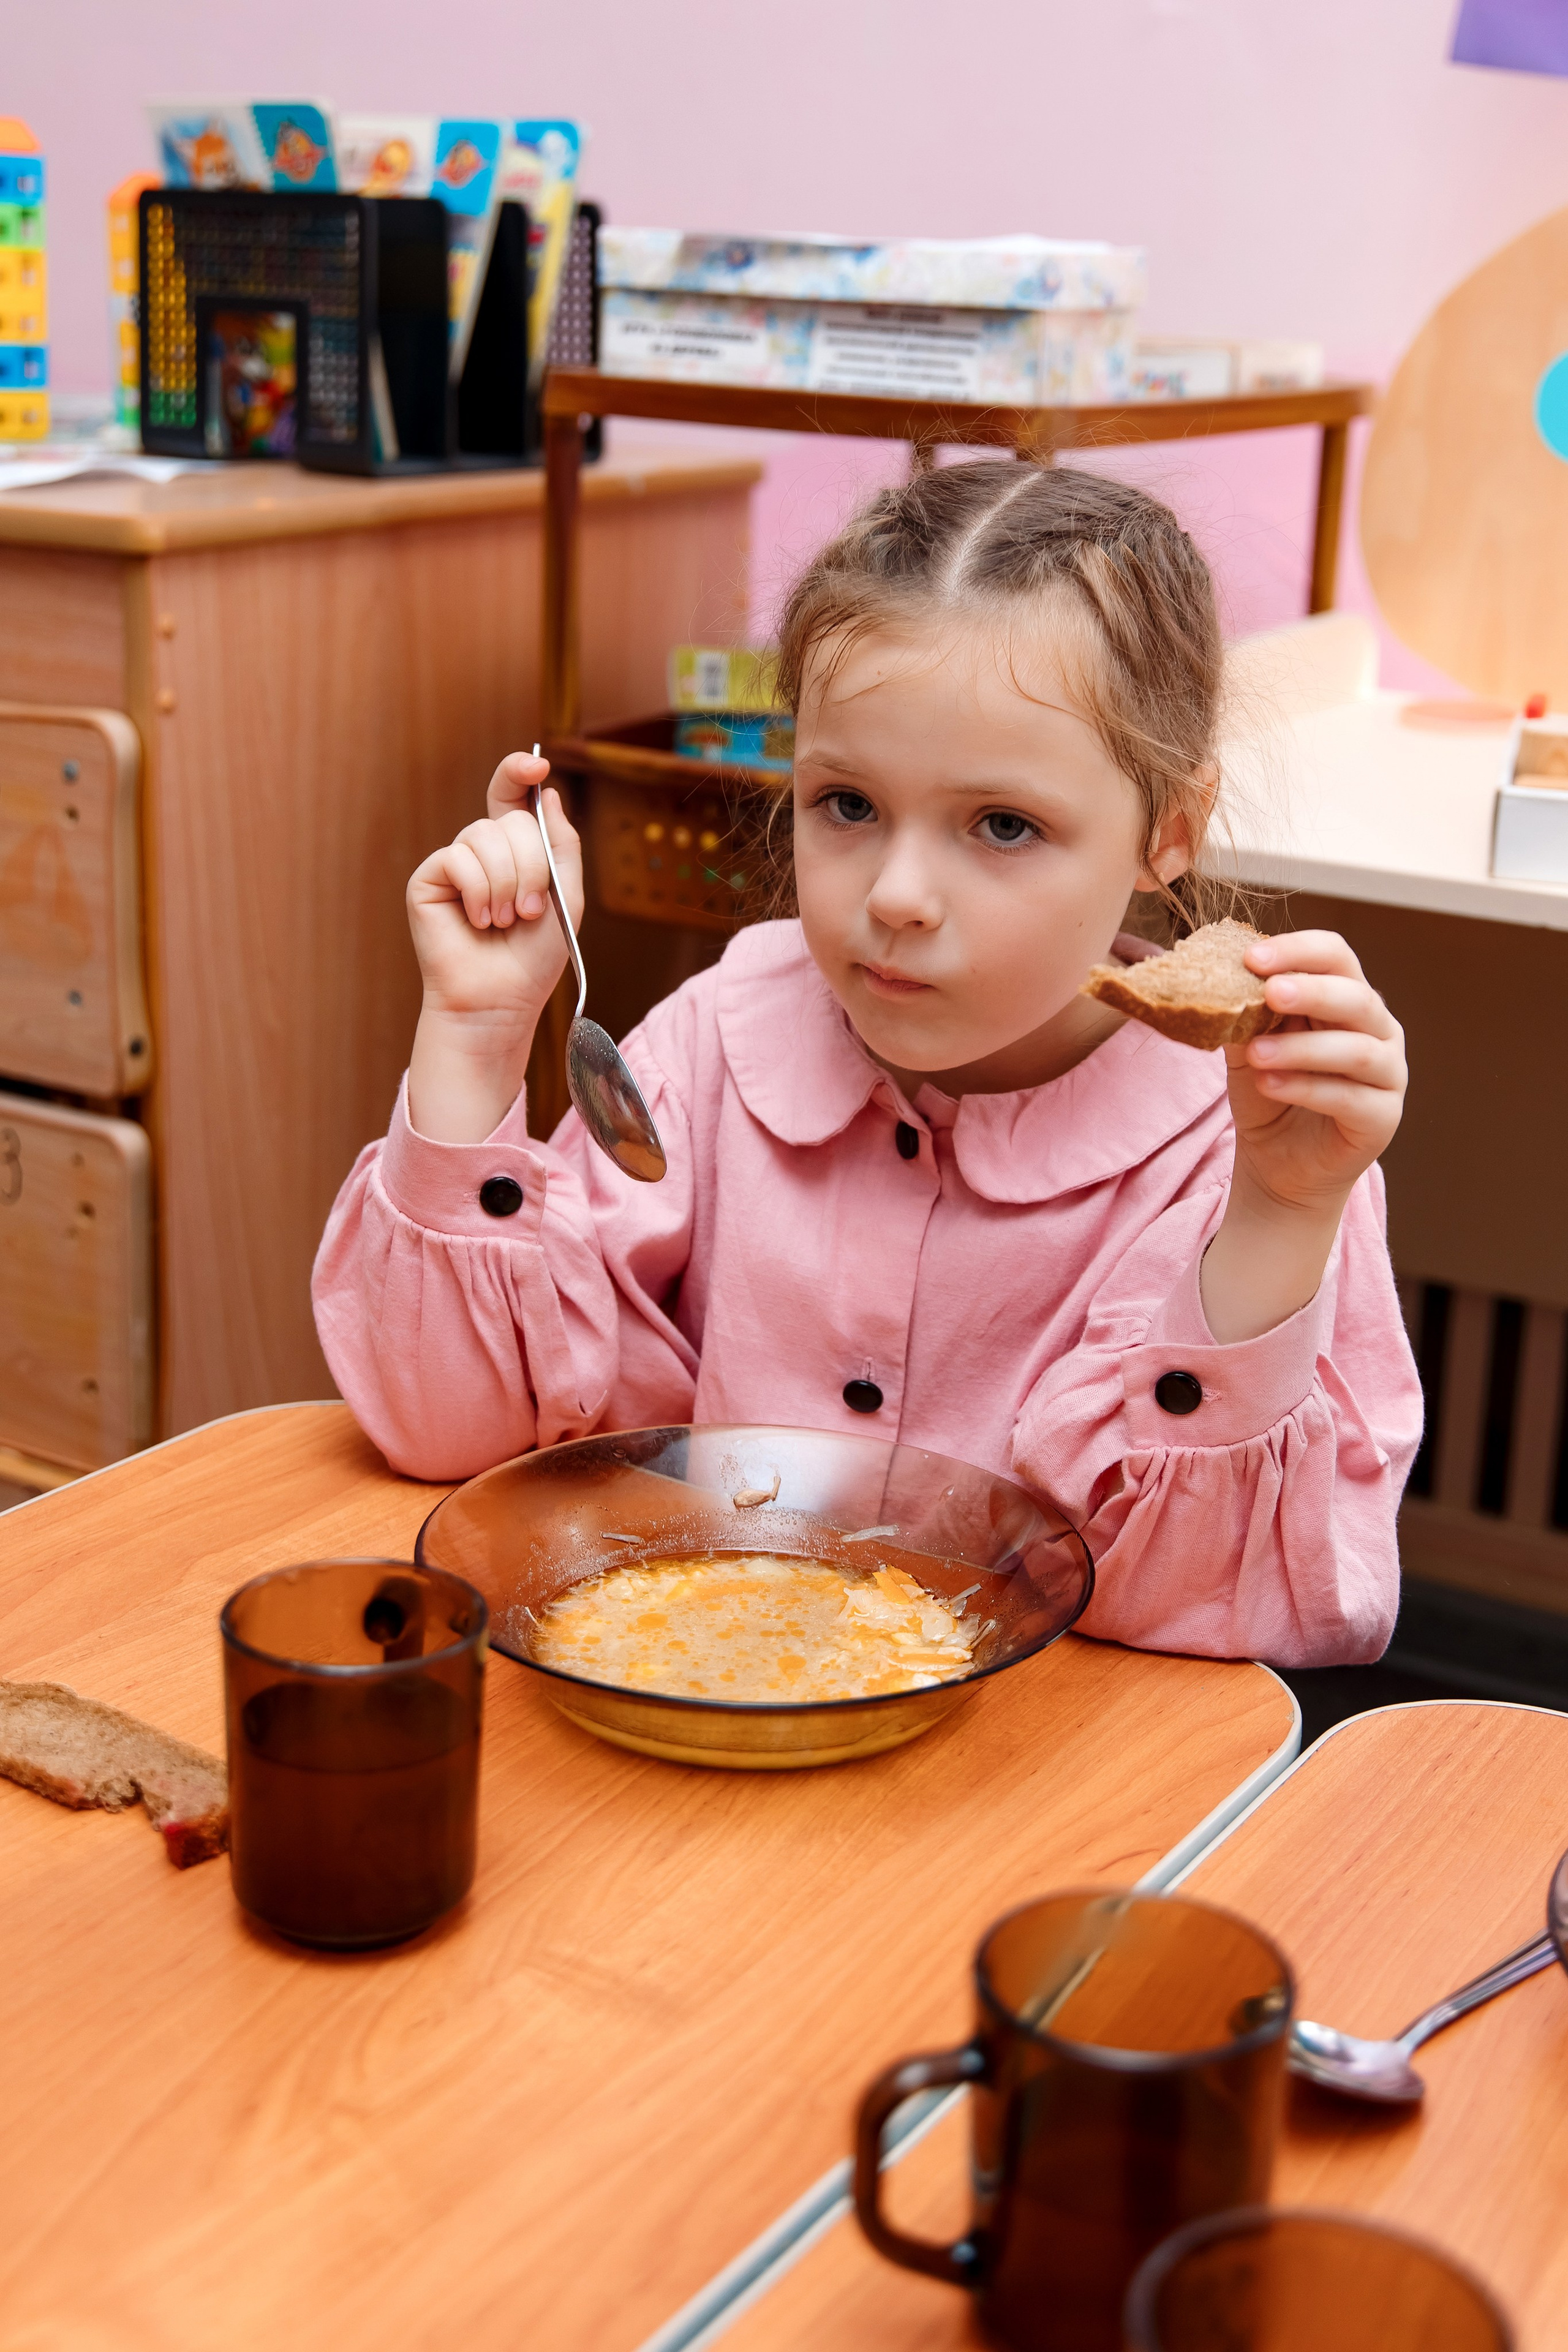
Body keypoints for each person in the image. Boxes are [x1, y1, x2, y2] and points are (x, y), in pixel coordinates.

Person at [314, 464, 1420, 1666]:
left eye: (1002, 826)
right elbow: (449, 1431)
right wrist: (476, 1039)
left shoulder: (1239, 1150)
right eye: (845, 804)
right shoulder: (716, 1039)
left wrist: (1277, 1215)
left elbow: (1198, 1609)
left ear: (1168, 831)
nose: (893, 897)